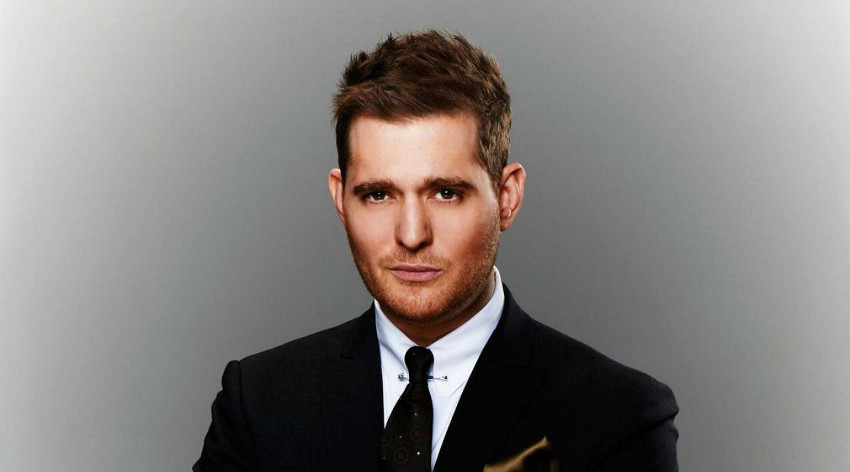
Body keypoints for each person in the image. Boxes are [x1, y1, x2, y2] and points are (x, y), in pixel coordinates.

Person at [194, 30, 679, 471]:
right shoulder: (257, 401)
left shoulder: (618, 416)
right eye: (378, 194)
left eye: (446, 193)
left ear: (506, 197)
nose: (411, 234)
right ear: (341, 200)